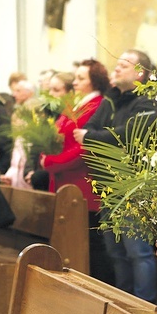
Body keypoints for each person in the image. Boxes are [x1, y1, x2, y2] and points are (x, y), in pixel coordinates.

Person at [74, 49, 157, 302]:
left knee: (138, 253)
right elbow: (89, 127)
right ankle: (124, 303)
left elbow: (127, 136)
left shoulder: (148, 100)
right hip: (108, 186)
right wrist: (96, 136)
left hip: (133, 187)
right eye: (118, 63)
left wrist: (93, 138)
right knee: (116, 251)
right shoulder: (111, 99)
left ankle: (144, 307)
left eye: (125, 63)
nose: (118, 67)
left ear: (141, 72)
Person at [40, 59, 115, 285]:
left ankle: (95, 288)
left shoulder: (98, 105)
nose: (75, 82)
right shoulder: (78, 103)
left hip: (81, 184)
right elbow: (58, 133)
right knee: (70, 240)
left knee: (89, 245)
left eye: (81, 78)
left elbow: (83, 148)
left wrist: (52, 161)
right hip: (65, 180)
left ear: (95, 81)